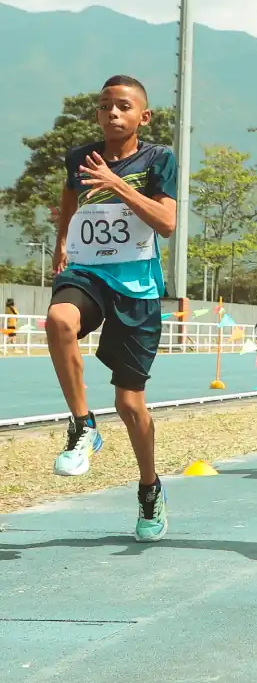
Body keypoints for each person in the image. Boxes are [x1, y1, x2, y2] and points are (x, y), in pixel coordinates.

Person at [44, 75, 177, 542]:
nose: (112, 113)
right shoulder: (80, 158)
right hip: (88, 274)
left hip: (137, 288)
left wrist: (116, 184)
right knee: (58, 319)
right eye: (105, 106)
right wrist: (63, 240)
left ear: (144, 116)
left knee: (129, 404)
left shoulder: (158, 158)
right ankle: (82, 425)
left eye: (123, 106)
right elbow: (69, 193)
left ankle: (149, 487)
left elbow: (166, 222)